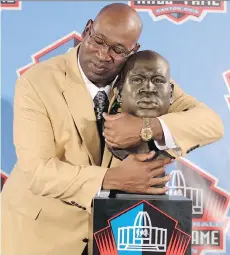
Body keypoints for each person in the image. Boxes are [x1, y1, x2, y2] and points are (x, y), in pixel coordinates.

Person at [1, 3, 224, 255]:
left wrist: (145, 128)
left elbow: (211, 123)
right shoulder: (37, 82)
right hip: (39, 233)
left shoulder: (141, 76)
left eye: (118, 49)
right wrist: (113, 179)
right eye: (98, 40)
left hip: (110, 235)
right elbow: (38, 172)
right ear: (87, 30)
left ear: (132, 50)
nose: (103, 55)